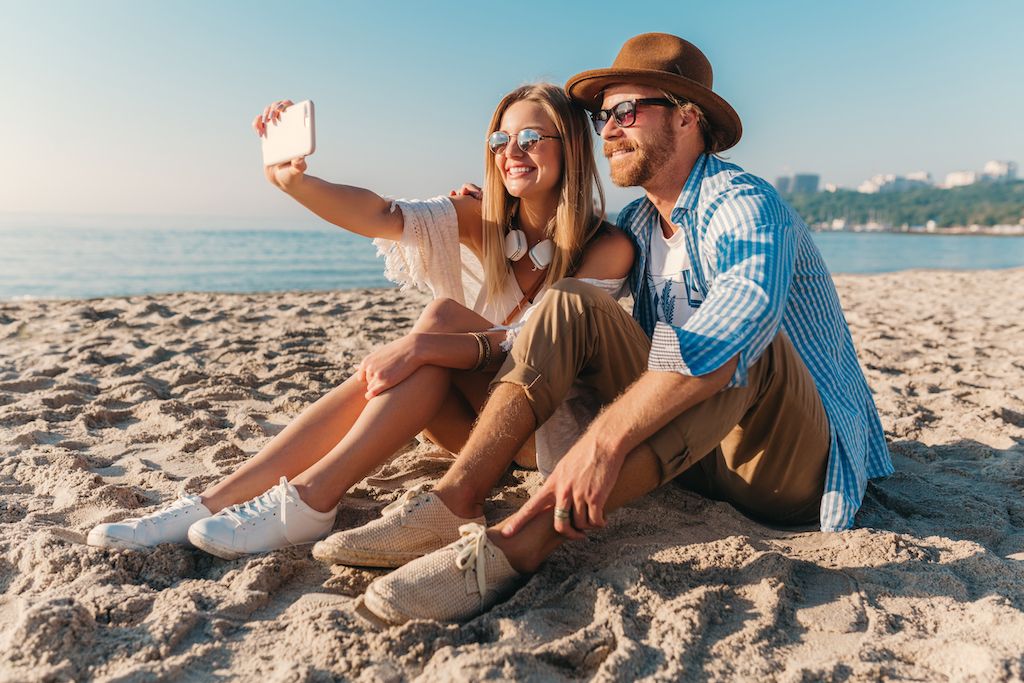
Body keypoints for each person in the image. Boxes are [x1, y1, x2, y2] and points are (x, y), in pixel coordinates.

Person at [348, 33, 893, 625]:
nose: (607, 130)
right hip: (689, 457)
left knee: (740, 347)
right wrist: (493, 208)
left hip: (786, 467)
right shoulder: (635, 224)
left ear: (687, 118)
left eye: (626, 111)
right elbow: (556, 270)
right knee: (569, 303)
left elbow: (736, 327)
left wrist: (602, 444)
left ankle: (513, 547)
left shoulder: (743, 205)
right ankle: (455, 500)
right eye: (602, 115)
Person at [86, 83, 634, 560]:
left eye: (531, 139)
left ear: (571, 148)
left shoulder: (604, 247)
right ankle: (220, 500)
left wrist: (423, 347)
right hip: (473, 424)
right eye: (500, 140)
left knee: (438, 324)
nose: (511, 152)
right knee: (435, 332)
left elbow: (534, 343)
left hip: (541, 433)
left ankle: (310, 499)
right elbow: (382, 213)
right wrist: (293, 182)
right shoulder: (486, 220)